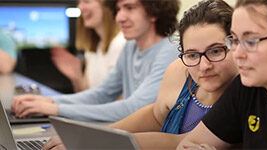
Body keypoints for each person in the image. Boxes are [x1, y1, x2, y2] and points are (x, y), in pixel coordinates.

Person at [42, 0, 237, 149]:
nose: (204, 66)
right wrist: (92, 136)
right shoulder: (180, 69)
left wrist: (91, 142)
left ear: (236, 44)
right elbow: (154, 114)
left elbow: (183, 142)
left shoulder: (245, 90)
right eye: (192, 54)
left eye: (216, 51)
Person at [178, 0, 267, 149]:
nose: (237, 53)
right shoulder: (246, 87)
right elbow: (188, 145)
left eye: (251, 40)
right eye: (235, 40)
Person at [11, 0, 180, 122]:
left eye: (130, 8)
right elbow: (102, 94)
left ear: (154, 12)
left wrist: (55, 109)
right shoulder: (131, 47)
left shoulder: (169, 49)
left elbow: (136, 108)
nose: (119, 17)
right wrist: (48, 101)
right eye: (118, 9)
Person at [51, 0, 126, 92]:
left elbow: (119, 100)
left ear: (106, 6)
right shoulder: (93, 48)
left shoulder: (121, 43)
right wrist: (76, 77)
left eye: (87, 2)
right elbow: (86, 95)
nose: (80, 7)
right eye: (79, 3)